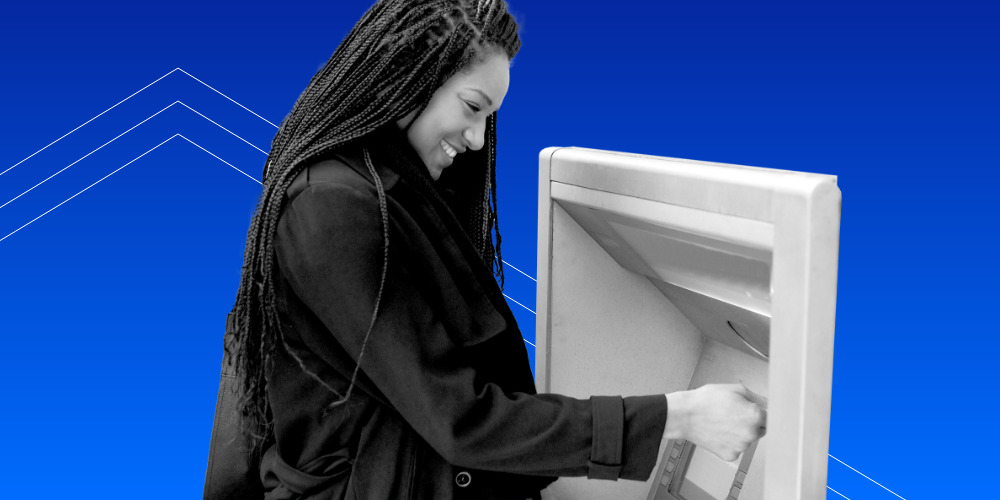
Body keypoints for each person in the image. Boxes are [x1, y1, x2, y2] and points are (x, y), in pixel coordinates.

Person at [221, 0, 766, 498]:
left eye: (490, 117)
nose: (479, 139)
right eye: (472, 106)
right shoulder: (335, 207)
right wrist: (677, 415)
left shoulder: (387, 194)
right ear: (411, 79)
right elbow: (460, 419)